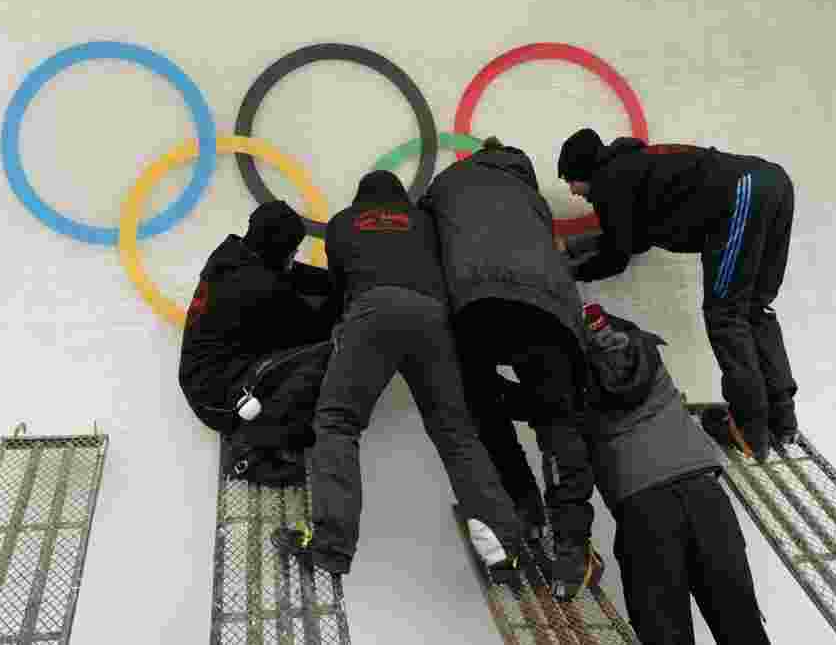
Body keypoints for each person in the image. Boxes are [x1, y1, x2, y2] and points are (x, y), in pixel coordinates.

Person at [270, 170, 526, 580]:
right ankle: (501, 549)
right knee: (455, 434)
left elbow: (339, 290)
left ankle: (331, 545)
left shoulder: (342, 223)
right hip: (433, 319)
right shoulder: (425, 222)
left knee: (337, 422)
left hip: (371, 313)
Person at [499, 303, 771, 644]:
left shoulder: (557, 379)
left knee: (665, 635)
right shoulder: (638, 349)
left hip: (646, 512)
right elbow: (604, 383)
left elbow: (567, 467)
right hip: (708, 499)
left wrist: (572, 546)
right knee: (742, 628)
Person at [418, 137, 599, 601]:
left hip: (475, 307)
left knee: (483, 407)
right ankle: (571, 547)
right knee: (557, 423)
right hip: (547, 312)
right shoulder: (531, 197)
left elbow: (422, 238)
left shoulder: (447, 184)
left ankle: (522, 508)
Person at [557, 129, 799, 462]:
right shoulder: (631, 168)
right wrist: (575, 247)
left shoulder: (609, 183)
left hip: (745, 191)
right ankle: (783, 419)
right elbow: (631, 239)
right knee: (754, 309)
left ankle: (750, 429)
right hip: (772, 182)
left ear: (584, 171)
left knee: (726, 316)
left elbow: (616, 256)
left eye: (571, 181)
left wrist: (569, 271)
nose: (572, 190)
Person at [178, 200, 339, 485]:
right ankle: (252, 449)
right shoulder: (257, 288)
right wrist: (350, 298)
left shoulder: (232, 254)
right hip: (217, 394)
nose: (294, 256)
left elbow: (294, 274)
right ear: (277, 249)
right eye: (292, 250)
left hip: (208, 376)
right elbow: (314, 327)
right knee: (323, 355)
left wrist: (338, 280)